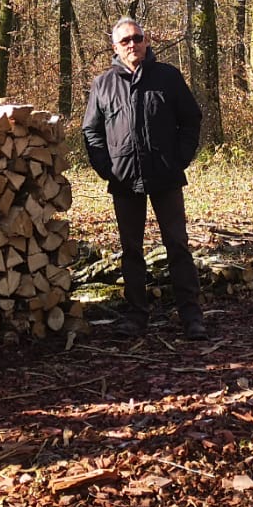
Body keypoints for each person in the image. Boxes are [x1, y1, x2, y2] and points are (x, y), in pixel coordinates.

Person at [81, 17, 207, 340]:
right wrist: (107, 169)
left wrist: (180, 158)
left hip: (165, 176)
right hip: (124, 180)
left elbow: (191, 118)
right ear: (115, 47)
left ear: (146, 41)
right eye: (125, 41)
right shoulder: (103, 84)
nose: (132, 44)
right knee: (131, 250)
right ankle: (137, 314)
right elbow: (91, 132)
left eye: (137, 38)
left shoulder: (167, 77)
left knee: (177, 245)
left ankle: (191, 316)